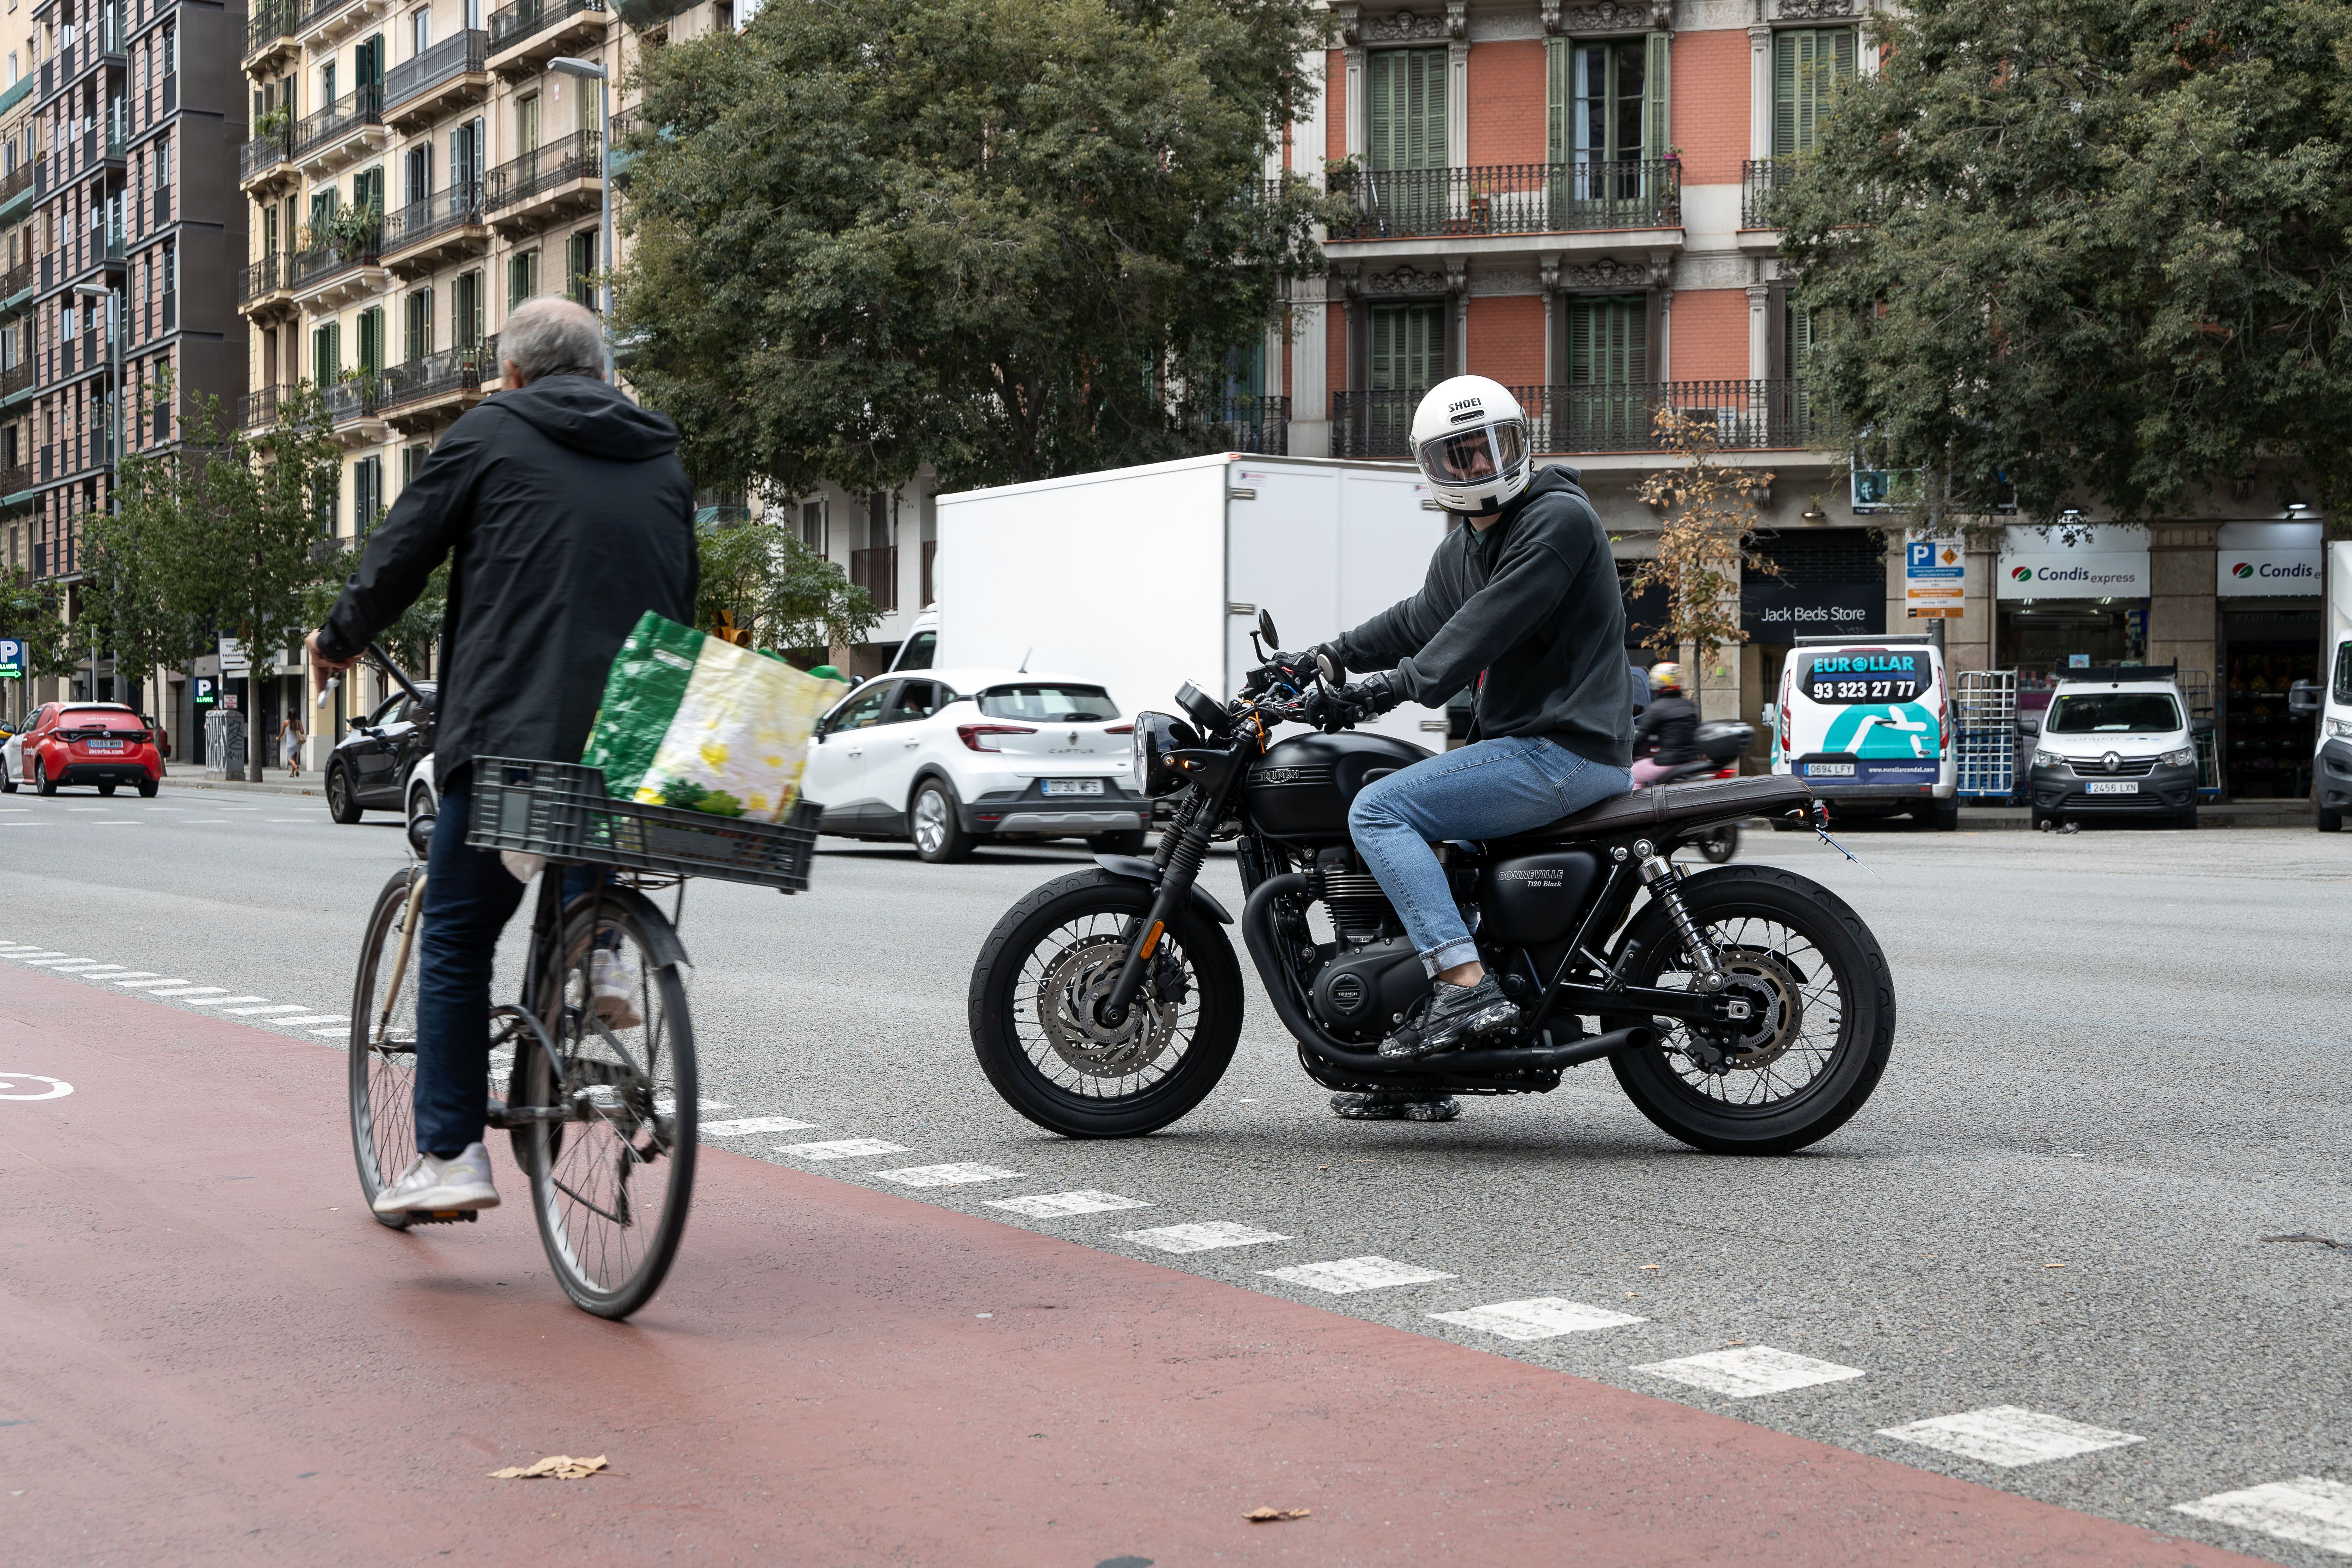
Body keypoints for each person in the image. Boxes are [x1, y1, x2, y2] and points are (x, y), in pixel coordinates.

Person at [306, 297, 698, 1217]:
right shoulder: (660, 457)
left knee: (455, 932)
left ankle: (447, 1156)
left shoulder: (487, 433)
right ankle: (598, 957)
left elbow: (401, 552)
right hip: (630, 738)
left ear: (512, 374)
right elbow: (680, 591)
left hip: (510, 737)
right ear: (602, 373)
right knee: (581, 859)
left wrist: (339, 635)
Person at [1293, 376, 1634, 1122]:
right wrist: (1326, 656)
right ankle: (1416, 1057)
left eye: (1489, 445)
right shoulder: (1464, 546)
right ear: (1433, 467)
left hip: (1563, 748)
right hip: (1529, 749)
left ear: (1518, 443)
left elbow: (1479, 628)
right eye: (1458, 454)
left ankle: (1460, 979)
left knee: (1379, 807)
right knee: (1413, 847)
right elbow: (1417, 617)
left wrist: (1380, 690)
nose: (1478, 464)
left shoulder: (1556, 519)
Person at [1629, 662, 1700, 787]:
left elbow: (1642, 735)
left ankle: (1636, 806)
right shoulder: (1688, 705)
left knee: (1633, 775)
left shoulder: (1658, 707)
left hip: (1669, 761)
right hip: (1691, 760)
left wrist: (1630, 750)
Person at [278, 713, 304, 779]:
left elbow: (282, 733)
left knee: (290, 759)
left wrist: (278, 737)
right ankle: (292, 774)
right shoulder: (299, 722)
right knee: (295, 759)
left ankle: (296, 767)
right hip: (298, 743)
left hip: (290, 743)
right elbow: (302, 732)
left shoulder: (285, 722)